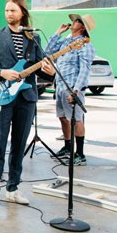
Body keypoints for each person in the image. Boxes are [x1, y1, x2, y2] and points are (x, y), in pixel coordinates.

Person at [0, 0, 55, 209]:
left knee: (19, 144)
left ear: (23, 12)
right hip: (3, 95)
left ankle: (12, 188)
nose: (9, 14)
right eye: (6, 10)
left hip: (27, 97)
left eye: (13, 10)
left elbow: (39, 68)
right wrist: (2, 72)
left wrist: (49, 72)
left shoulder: (33, 37)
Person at [46, 14, 96, 166]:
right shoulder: (66, 41)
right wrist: (58, 32)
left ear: (82, 28)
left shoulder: (85, 46)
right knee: (63, 117)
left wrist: (76, 90)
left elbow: (85, 70)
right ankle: (68, 147)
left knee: (76, 119)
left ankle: (80, 154)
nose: (73, 22)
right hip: (60, 86)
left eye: (77, 21)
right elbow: (48, 51)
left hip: (72, 88)